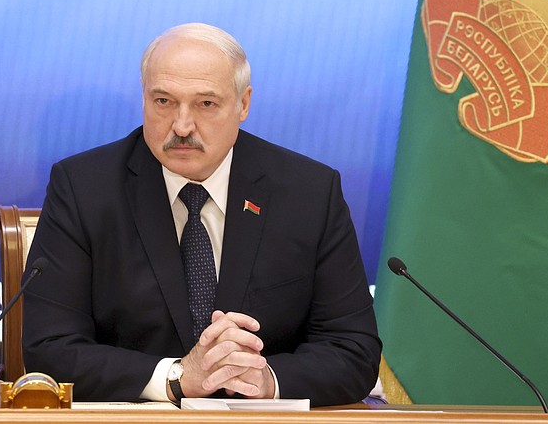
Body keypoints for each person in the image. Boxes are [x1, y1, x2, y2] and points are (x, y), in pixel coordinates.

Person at [22, 23, 381, 406]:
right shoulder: (84, 188)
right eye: (163, 101)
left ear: (243, 104)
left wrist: (266, 381)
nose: (181, 125)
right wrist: (177, 377)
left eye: (206, 104)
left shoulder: (308, 192)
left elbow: (353, 350)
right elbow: (49, 349)